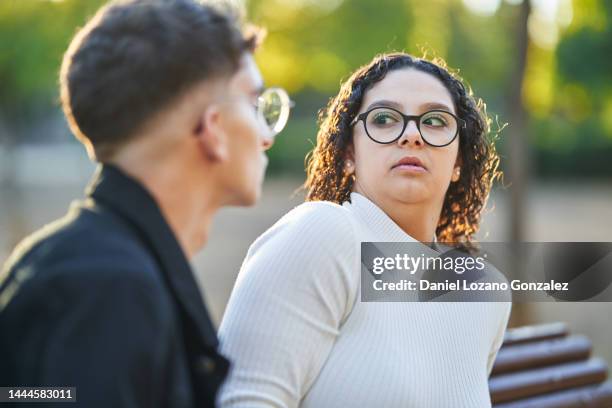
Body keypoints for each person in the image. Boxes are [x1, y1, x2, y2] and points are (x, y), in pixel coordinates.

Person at [0, 0, 292, 407]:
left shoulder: (86, 265)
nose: (267, 134)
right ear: (213, 130)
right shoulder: (108, 289)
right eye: (256, 105)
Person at [217, 53, 512, 407]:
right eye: (384, 119)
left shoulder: (483, 292)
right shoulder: (323, 234)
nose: (412, 135)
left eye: (435, 121)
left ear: (459, 162)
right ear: (348, 155)